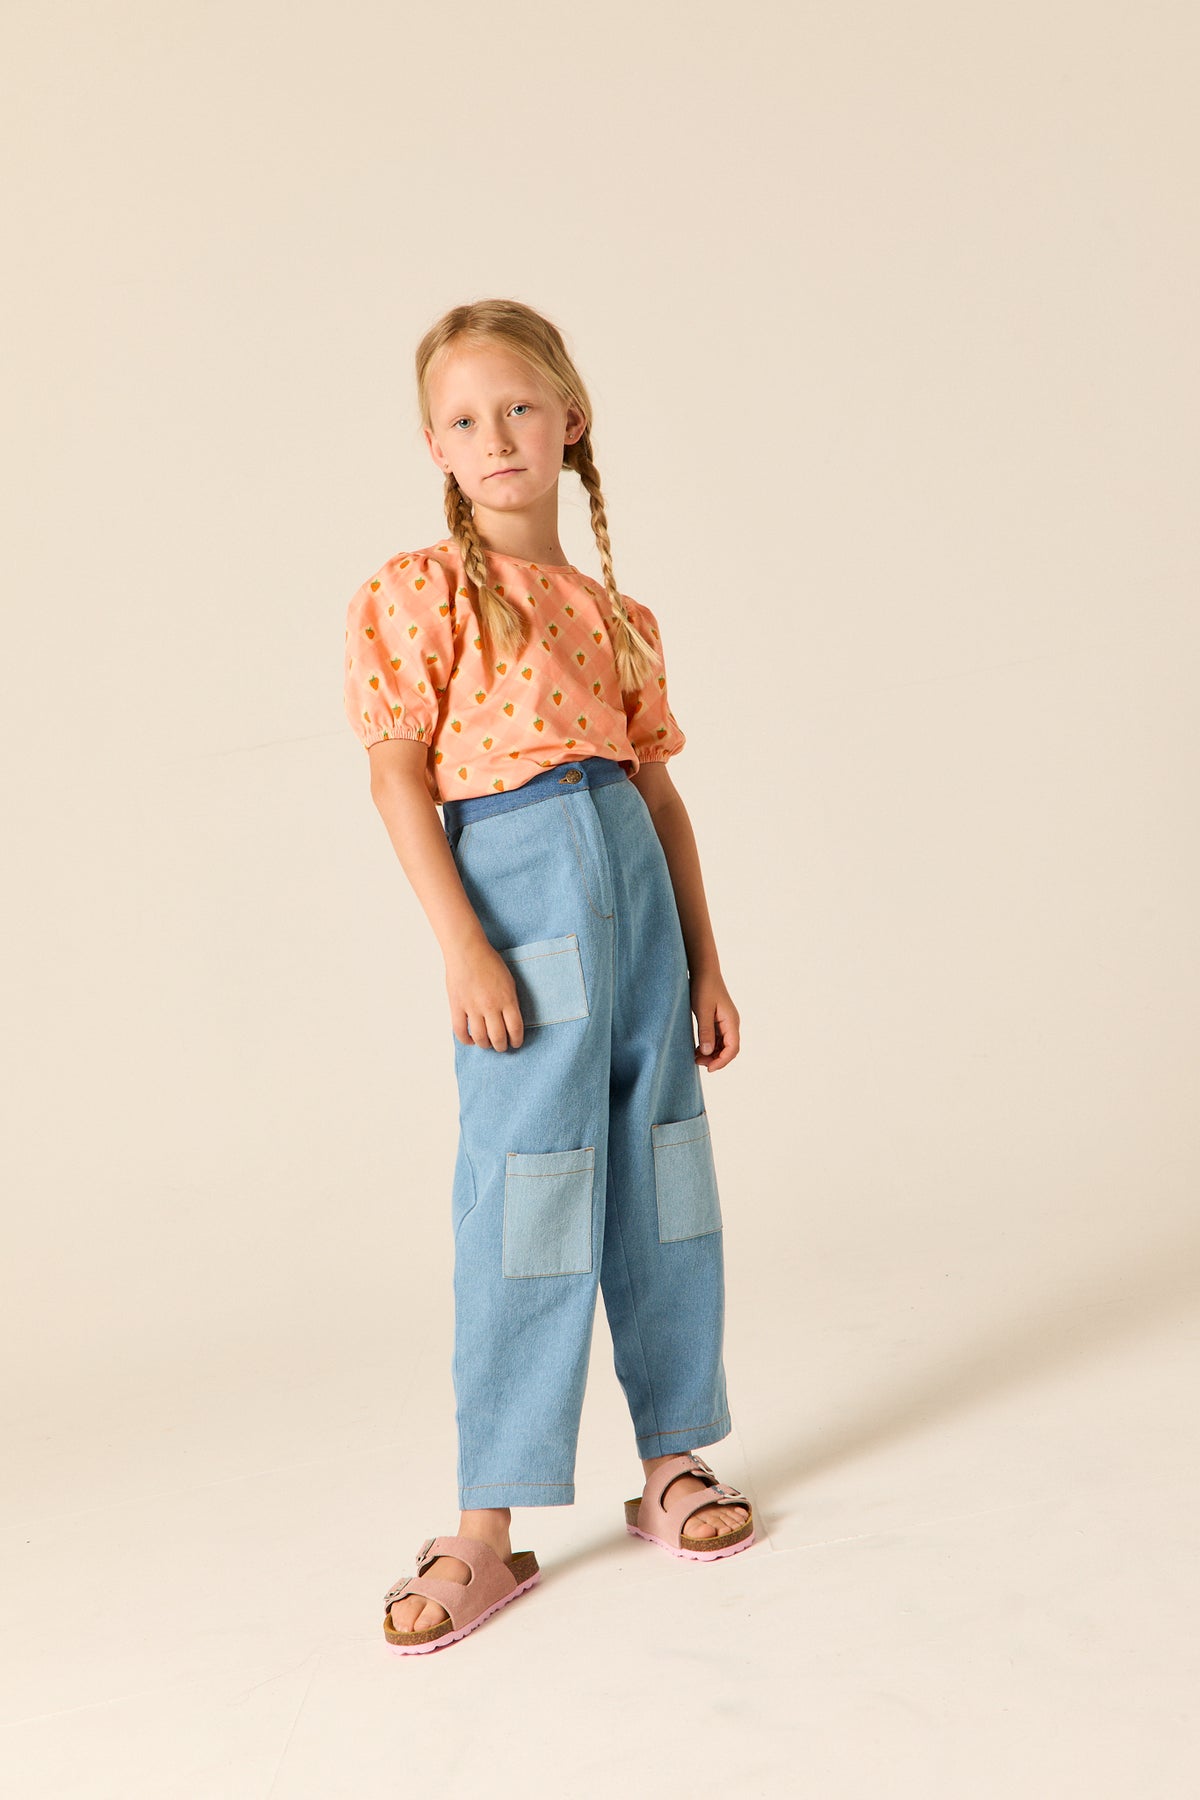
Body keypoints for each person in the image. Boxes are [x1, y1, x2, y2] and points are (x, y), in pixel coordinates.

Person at [342, 299, 757, 1655]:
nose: (496, 435)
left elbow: (661, 799)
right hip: (521, 921)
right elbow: (398, 777)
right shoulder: (422, 593)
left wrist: (704, 959)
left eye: (518, 406)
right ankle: (487, 1525)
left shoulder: (618, 618)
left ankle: (673, 1458)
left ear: (570, 419)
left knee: (664, 1180)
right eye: (463, 419)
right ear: (436, 448)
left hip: (639, 917)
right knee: (525, 1200)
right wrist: (464, 944)